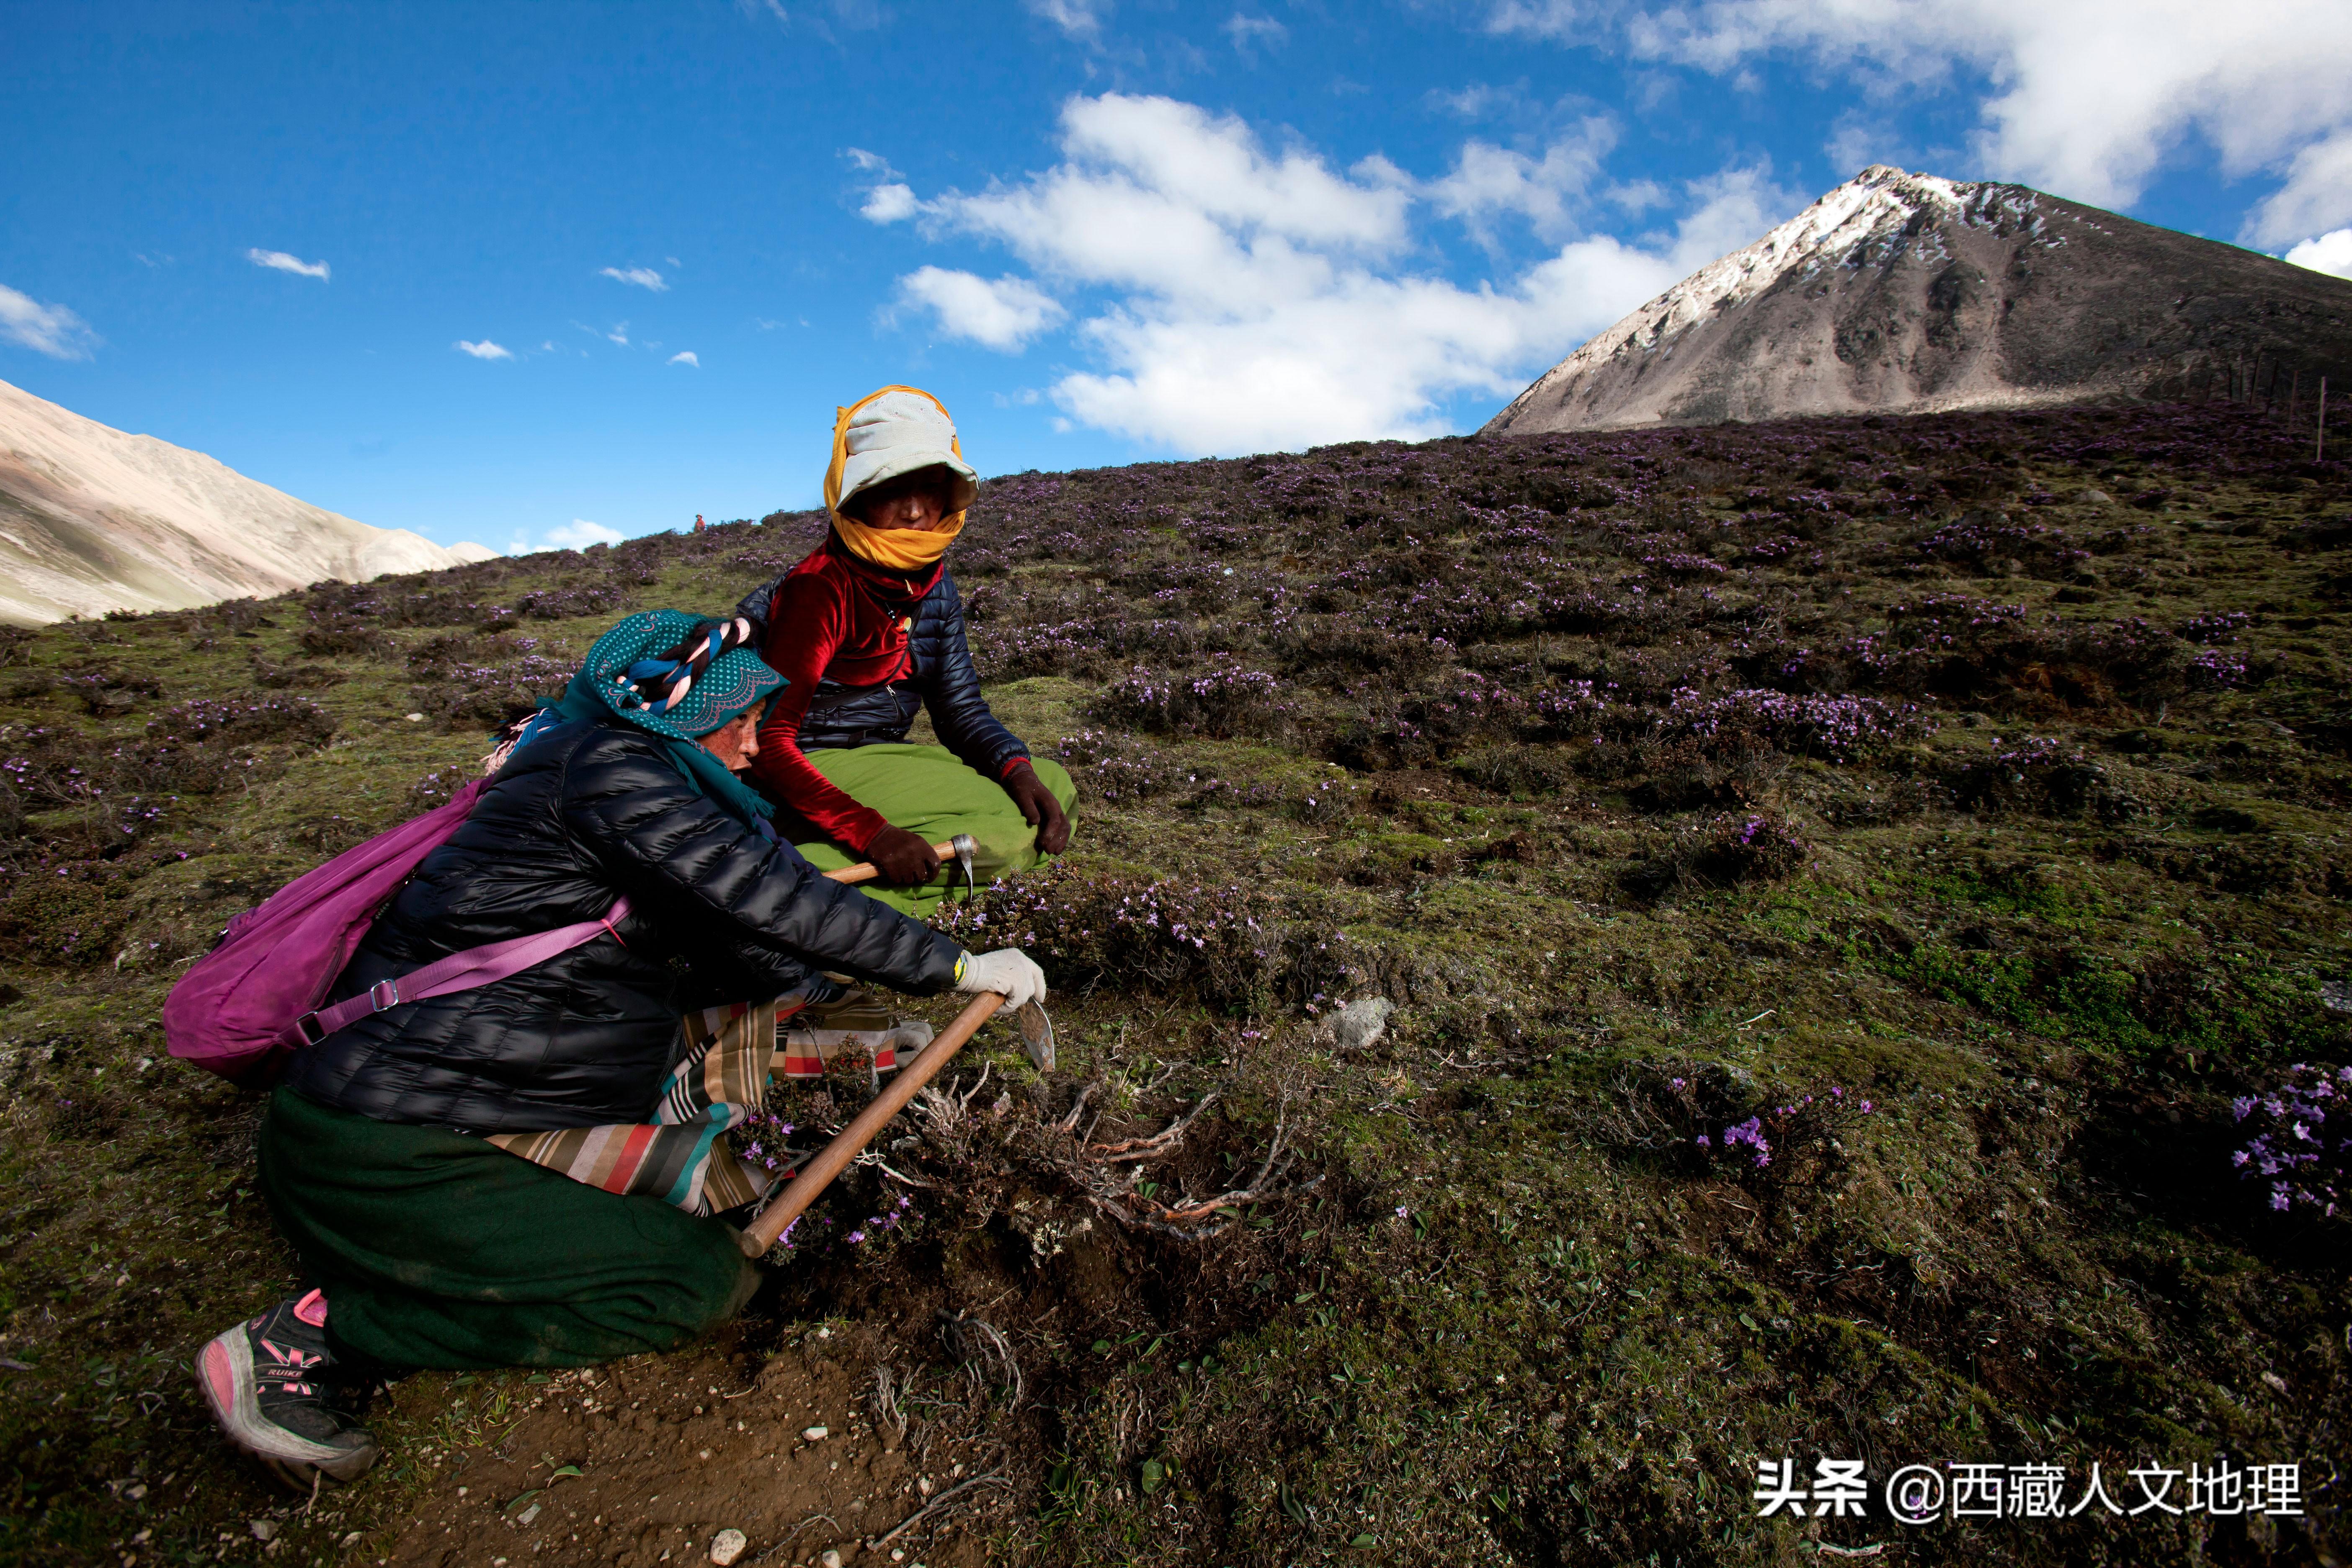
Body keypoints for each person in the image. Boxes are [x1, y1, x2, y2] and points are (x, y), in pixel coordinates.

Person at [196, 609, 1046, 1490]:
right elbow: (766, 896)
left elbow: (753, 926)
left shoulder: (610, 778)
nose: (757, 747)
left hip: (455, 1098)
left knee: (814, 1045)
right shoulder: (610, 773)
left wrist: (852, 1006)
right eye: (742, 723)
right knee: (695, 1281)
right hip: (387, 1146)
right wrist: (951, 964)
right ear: (679, 720)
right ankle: (320, 1335)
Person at [740, 386, 1074, 915]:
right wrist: (873, 834)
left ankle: (830, 883)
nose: (916, 510)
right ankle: (794, 898)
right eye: (893, 487)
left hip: (882, 761)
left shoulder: (935, 585)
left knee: (1051, 783)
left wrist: (1016, 770)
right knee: (1009, 835)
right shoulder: (821, 586)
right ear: (857, 497)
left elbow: (961, 709)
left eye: (931, 486)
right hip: (812, 765)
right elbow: (772, 741)